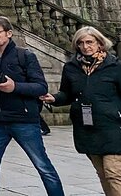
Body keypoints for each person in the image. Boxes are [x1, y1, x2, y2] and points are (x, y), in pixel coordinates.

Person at [0, 15, 64, 196]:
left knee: (42, 165)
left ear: (9, 33)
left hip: (24, 120)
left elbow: (41, 87)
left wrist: (15, 87)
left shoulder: (25, 56)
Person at [40, 26, 121, 195]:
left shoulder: (115, 66)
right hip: (87, 127)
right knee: (103, 174)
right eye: (81, 43)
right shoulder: (71, 67)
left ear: (100, 43)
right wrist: (54, 98)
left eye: (89, 42)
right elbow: (67, 93)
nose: (85, 46)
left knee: (113, 172)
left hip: (112, 126)